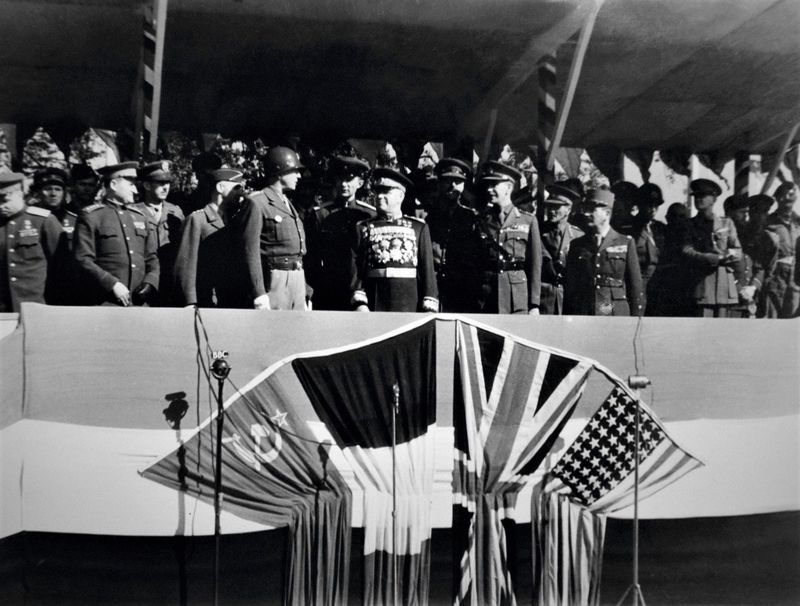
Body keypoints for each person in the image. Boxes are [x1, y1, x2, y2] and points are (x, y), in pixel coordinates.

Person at [456, 160, 542, 314]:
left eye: (494, 185)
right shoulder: (480, 221)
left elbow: (535, 265)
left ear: (508, 187)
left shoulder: (528, 220)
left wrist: (534, 304)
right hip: (485, 296)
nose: (489, 189)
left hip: (516, 297)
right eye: (488, 185)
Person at [349, 167, 438, 312]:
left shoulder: (418, 228)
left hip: (409, 303)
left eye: (386, 191)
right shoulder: (363, 228)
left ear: (400, 196)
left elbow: (427, 270)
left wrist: (429, 305)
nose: (379, 196)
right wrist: (360, 303)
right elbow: (356, 270)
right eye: (377, 191)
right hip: (374, 303)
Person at [73, 162, 159, 306]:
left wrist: (150, 282)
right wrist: (112, 284)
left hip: (139, 304)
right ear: (113, 184)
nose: (136, 190)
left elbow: (151, 259)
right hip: (104, 302)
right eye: (130, 185)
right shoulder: (91, 216)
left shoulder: (140, 217)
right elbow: (83, 259)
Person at [235, 146, 308, 311]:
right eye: (294, 171)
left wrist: (304, 290)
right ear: (280, 172)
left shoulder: (287, 203)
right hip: (274, 282)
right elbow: (250, 252)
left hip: (296, 279)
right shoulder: (257, 203)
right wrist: (258, 293)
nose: (298, 175)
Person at [304, 155, 375, 310]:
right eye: (340, 179)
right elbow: (311, 258)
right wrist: (309, 291)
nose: (343, 184)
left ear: (360, 183)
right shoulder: (319, 214)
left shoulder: (369, 215)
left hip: (361, 289)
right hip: (328, 288)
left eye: (349, 179)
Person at [173, 169, 247, 308]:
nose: (241, 192)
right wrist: (189, 301)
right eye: (237, 187)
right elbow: (186, 264)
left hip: (229, 298)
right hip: (205, 299)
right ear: (220, 187)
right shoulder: (198, 219)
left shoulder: (235, 219)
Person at [564, 188, 643, 316]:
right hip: (584, 310)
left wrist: (636, 320)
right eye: (586, 209)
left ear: (607, 213)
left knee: (608, 331)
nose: (586, 214)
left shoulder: (625, 242)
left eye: (592, 210)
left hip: (612, 308)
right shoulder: (577, 245)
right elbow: (571, 286)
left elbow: (635, 286)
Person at [0, 172, 64, 312]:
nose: (0, 206)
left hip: (36, 304)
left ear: (20, 194)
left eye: (5, 200)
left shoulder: (43, 221)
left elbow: (61, 267)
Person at [681, 178, 742, 318]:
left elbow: (738, 249)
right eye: (696, 196)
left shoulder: (726, 223)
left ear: (714, 199)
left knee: (723, 333)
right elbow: (686, 250)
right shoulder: (689, 225)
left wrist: (730, 255)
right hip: (702, 286)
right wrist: (712, 258)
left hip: (724, 287)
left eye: (703, 196)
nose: (698, 199)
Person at [138, 161, 184, 305]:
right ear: (147, 185)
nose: (166, 187)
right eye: (160, 183)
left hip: (170, 280)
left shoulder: (176, 212)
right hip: (144, 281)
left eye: (168, 183)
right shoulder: (133, 212)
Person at [425, 157, 472, 291]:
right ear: (439, 183)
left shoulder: (470, 217)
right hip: (432, 282)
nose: (453, 185)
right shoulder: (424, 215)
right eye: (448, 181)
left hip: (460, 285)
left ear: (463, 186)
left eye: (458, 182)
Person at [539, 183, 583, 314]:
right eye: (549, 206)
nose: (551, 211)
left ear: (568, 209)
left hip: (568, 299)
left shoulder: (578, 236)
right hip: (544, 299)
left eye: (556, 207)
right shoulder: (537, 232)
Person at [646, 202, 693, 316]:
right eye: (674, 216)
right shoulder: (660, 231)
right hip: (663, 284)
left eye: (682, 217)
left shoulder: (691, 234)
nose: (678, 220)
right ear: (667, 218)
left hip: (684, 286)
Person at [625, 183, 667, 311]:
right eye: (649, 205)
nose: (653, 209)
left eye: (656, 205)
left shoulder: (661, 228)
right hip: (638, 281)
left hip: (658, 282)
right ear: (641, 205)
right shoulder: (629, 227)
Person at [761, 182, 800, 318]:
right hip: (776, 279)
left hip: (796, 279)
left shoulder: (799, 221)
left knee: (793, 324)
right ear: (777, 198)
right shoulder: (768, 222)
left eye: (792, 194)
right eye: (784, 194)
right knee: (774, 321)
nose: (788, 198)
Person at [723, 194, 762, 318]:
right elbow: (722, 266)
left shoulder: (749, 235)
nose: (746, 216)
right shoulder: (721, 235)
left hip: (750, 300)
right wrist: (739, 289)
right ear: (729, 212)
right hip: (729, 298)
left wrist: (753, 287)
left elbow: (760, 266)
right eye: (741, 212)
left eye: (747, 212)